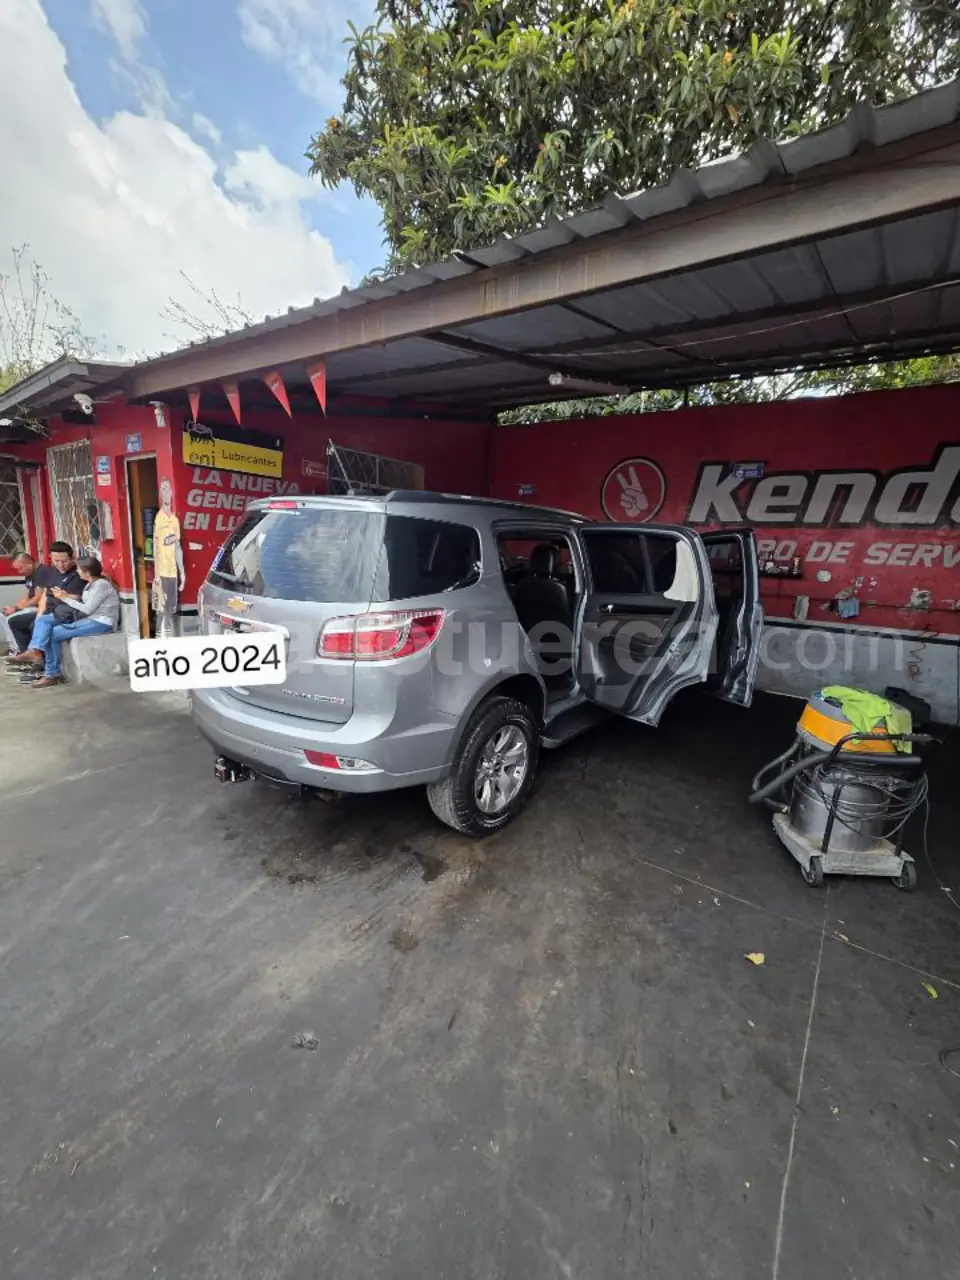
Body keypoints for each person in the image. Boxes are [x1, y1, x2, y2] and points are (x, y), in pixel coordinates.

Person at [25, 556, 120, 689]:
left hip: (103, 622)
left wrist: (65, 598)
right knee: (49, 630)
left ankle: (51, 673)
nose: (77, 572)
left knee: (54, 633)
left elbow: (87, 609)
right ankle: (49, 669)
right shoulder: (91, 584)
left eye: (79, 570)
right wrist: (65, 595)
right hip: (93, 619)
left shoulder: (101, 585)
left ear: (87, 572)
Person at [7, 542, 85, 668]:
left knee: (36, 625)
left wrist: (63, 596)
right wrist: (39, 613)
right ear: (50, 557)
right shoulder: (53, 571)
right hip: (49, 610)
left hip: (65, 612)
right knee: (16, 621)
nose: (60, 565)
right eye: (56, 561)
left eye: (64, 561)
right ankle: (28, 658)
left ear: (72, 557)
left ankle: (39, 664)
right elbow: (45, 594)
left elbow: (77, 597)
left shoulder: (78, 573)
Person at [152, 477, 185, 638]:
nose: (166, 492)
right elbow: (156, 548)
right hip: (162, 573)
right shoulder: (159, 519)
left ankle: (171, 639)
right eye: (163, 489)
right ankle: (159, 638)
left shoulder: (175, 520)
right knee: (160, 609)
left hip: (173, 572)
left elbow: (177, 548)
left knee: (171, 609)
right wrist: (156, 575)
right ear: (160, 494)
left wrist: (183, 573)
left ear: (172, 493)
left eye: (168, 489)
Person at [1, 552, 41, 654]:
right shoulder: (29, 575)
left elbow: (38, 597)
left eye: (20, 568)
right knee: (2, 615)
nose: (19, 572)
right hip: (31, 607)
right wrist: (14, 606)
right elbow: (28, 595)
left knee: (11, 619)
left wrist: (17, 609)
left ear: (29, 563)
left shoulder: (41, 572)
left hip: (39, 608)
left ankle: (20, 651)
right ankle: (14, 648)